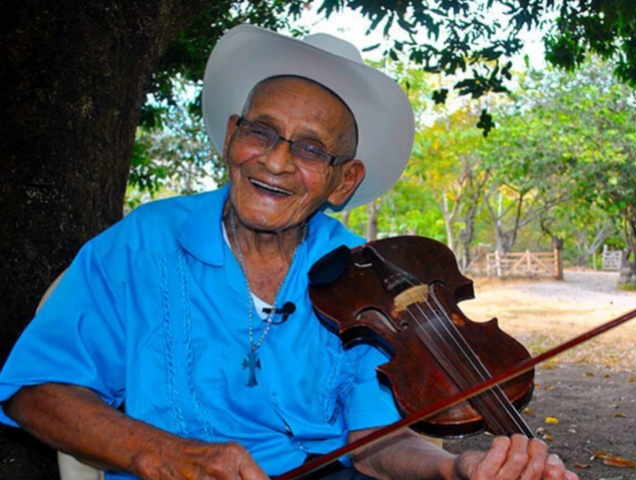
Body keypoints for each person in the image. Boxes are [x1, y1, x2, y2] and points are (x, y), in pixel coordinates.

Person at [0, 25, 578, 480]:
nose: (275, 161)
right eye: (261, 132)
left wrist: (455, 469)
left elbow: (376, 444)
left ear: (343, 181)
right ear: (231, 136)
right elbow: (33, 390)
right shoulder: (142, 242)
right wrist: (161, 455)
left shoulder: (368, 280)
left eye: (308, 148)